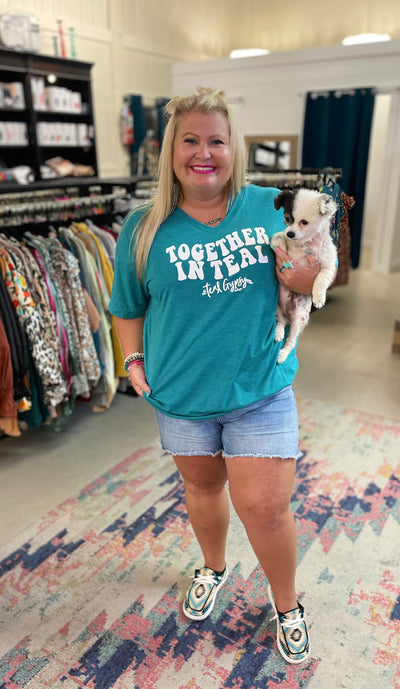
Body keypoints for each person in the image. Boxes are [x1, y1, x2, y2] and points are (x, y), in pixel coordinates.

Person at [109, 87, 312, 665]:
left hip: (259, 388)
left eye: (216, 141)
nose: (204, 153)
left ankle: (287, 605)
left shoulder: (273, 205)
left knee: (266, 508)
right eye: (190, 140)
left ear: (233, 148)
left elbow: (316, 265)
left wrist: (305, 275)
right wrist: (133, 363)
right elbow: (127, 307)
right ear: (171, 150)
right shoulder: (143, 228)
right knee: (201, 489)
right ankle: (214, 567)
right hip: (180, 395)